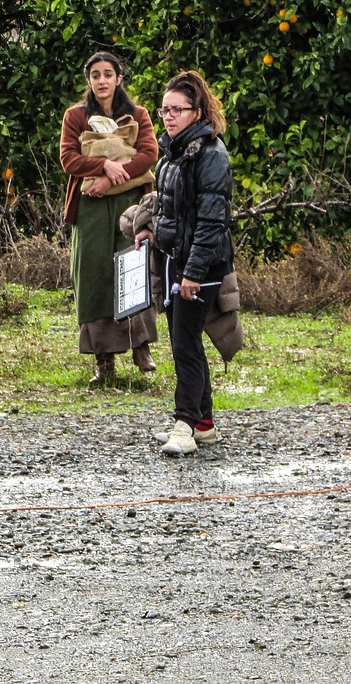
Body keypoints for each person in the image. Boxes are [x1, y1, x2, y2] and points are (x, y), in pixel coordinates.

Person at [136, 70, 236, 456]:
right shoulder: (174, 153)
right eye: (164, 109)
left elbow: (212, 222)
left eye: (177, 109)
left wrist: (193, 273)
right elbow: (173, 211)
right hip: (175, 262)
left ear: (197, 111)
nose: (169, 116)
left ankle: (185, 425)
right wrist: (152, 233)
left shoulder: (211, 155)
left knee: (185, 346)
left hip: (203, 268)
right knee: (186, 341)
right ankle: (205, 424)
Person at [58, 52, 160, 385]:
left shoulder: (138, 115)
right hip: (90, 207)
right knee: (95, 274)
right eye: (95, 75)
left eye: (108, 74)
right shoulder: (76, 117)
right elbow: (69, 159)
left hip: (131, 203)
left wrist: (112, 178)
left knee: (134, 268)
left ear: (119, 78)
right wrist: (103, 165)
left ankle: (140, 346)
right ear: (89, 81)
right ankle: (104, 361)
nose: (102, 81)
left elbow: (148, 154)